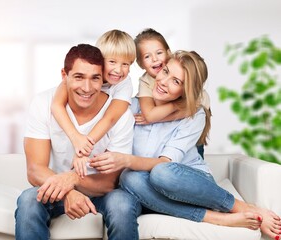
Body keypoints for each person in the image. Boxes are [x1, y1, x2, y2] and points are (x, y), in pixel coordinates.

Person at [89, 50, 281, 240]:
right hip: (143, 189)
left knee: (161, 172)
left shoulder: (193, 115)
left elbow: (164, 163)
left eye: (176, 81)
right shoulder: (129, 106)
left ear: (185, 90)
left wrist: (126, 159)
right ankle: (215, 218)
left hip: (187, 186)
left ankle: (242, 208)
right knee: (126, 184)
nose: (164, 82)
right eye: (165, 72)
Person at [15, 43, 138, 240]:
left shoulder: (121, 115)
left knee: (122, 203)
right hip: (57, 189)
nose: (87, 88)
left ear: (103, 78)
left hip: (102, 193)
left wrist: (74, 179)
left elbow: (109, 182)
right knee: (29, 199)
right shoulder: (43, 103)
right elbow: (35, 169)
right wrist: (68, 192)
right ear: (65, 76)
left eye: (95, 78)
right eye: (79, 77)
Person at [51, 29, 136, 177]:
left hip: (107, 137)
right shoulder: (79, 74)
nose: (118, 70)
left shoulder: (124, 84)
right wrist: (76, 138)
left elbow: (110, 118)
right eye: (112, 62)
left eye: (126, 64)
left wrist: (83, 150)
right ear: (100, 61)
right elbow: (56, 105)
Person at [134, 28, 211, 157]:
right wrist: (176, 106)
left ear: (168, 53)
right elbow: (150, 115)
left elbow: (195, 110)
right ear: (140, 64)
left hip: (191, 134)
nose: (154, 59)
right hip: (164, 138)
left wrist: (165, 114)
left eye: (159, 53)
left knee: (194, 153)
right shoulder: (146, 81)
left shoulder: (191, 84)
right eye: (147, 56)